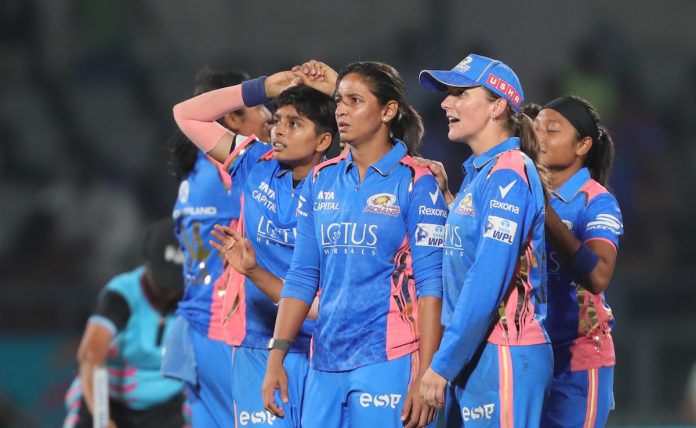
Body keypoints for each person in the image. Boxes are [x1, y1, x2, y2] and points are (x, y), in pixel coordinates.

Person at [262, 60, 446, 428]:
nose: (341, 110)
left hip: (389, 359)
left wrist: (426, 372)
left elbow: (432, 286)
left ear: (388, 111)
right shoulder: (321, 180)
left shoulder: (417, 182)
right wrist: (276, 356)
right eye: (339, 101)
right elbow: (302, 276)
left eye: (355, 101)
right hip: (325, 361)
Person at [173, 68, 336, 426]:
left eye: (294, 124)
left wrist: (338, 89)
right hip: (256, 344)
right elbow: (185, 114)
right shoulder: (253, 163)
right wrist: (260, 88)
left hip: (324, 350)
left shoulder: (344, 184)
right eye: (277, 120)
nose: (278, 129)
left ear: (323, 140)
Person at [417, 53, 552, 426]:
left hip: (505, 349)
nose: (446, 103)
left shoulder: (509, 173)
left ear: (497, 106)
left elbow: (488, 276)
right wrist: (450, 200)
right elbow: (472, 248)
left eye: (460, 93)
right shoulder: (481, 174)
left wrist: (443, 362)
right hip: (477, 350)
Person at [162, 67, 272, 428]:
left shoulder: (195, 172)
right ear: (231, 118)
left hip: (191, 336)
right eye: (260, 107)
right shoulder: (231, 174)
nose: (270, 116)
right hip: (222, 334)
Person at [535, 95, 623, 427]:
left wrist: (546, 212)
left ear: (582, 145)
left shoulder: (596, 201)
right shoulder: (521, 192)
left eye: (551, 130)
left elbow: (599, 275)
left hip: (579, 360)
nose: (539, 137)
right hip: (529, 354)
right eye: (535, 128)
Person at [63, 218, 185, 428]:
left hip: (166, 409)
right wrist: (102, 418)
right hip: (107, 400)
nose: (169, 292)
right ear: (147, 262)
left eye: (176, 283)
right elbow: (91, 355)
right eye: (164, 281)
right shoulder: (122, 295)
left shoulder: (195, 298)